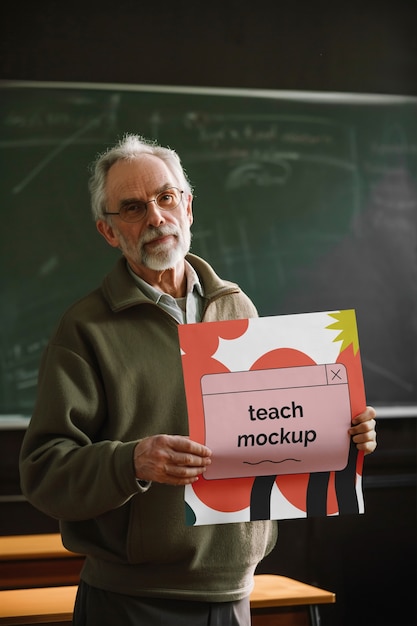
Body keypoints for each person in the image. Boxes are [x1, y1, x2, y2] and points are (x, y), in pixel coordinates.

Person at [19, 134, 377, 626]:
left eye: (166, 197)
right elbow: (43, 472)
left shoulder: (237, 307)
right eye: (132, 207)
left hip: (234, 593)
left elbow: (275, 431)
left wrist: (346, 432)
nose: (155, 217)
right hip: (131, 602)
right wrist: (132, 462)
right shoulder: (84, 329)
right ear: (108, 231)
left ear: (188, 206)